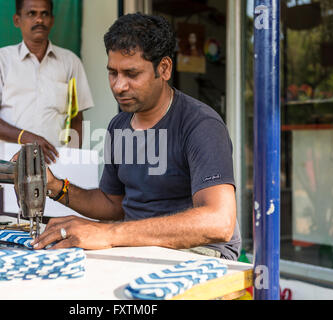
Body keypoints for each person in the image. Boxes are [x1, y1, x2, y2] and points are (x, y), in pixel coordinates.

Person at [32, 13, 241, 260]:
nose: (119, 86)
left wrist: (108, 234)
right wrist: (54, 186)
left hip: (198, 253)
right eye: (113, 73)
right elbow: (112, 203)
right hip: (137, 247)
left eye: (131, 74)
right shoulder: (119, 125)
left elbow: (219, 222)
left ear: (163, 69)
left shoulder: (200, 124)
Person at [0, 0, 94, 164]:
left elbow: (76, 119)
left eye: (45, 14)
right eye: (31, 14)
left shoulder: (70, 62)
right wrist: (25, 137)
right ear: (17, 20)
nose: (39, 20)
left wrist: (69, 159)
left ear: (52, 20)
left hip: (55, 167)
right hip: (8, 168)